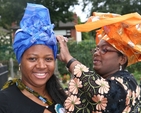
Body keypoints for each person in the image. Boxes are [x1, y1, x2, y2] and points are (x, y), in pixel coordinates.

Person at [56, 12, 141, 113]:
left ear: (122, 59)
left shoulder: (128, 82)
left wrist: (69, 59)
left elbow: (104, 93)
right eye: (96, 49)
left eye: (104, 50)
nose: (96, 53)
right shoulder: (102, 82)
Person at [0, 3, 67, 113]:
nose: (41, 66)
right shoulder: (4, 102)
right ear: (20, 60)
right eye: (32, 59)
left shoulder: (59, 94)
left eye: (48, 59)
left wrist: (69, 61)